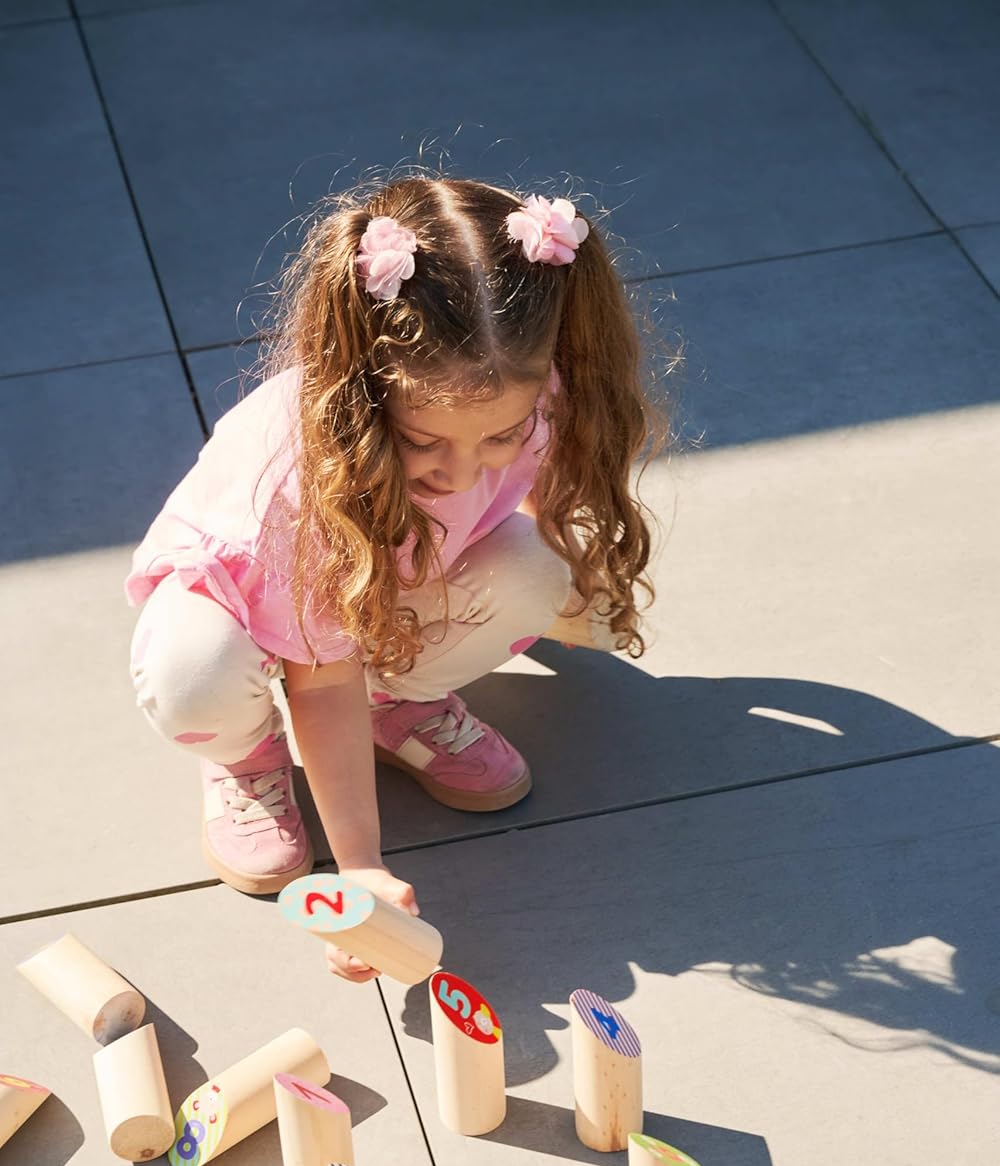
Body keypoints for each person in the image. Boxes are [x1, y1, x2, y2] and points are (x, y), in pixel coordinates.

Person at [125, 176, 663, 981]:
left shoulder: (521, 393)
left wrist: (577, 588)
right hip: (243, 596)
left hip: (389, 577)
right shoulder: (304, 478)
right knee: (193, 674)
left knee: (537, 570)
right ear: (367, 388)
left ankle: (398, 703)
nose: (463, 469)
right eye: (424, 440)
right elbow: (319, 678)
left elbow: (542, 485)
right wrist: (362, 867)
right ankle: (245, 757)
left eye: (498, 436)